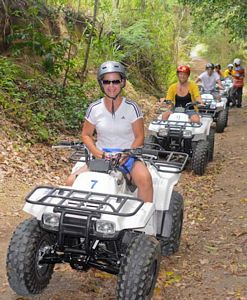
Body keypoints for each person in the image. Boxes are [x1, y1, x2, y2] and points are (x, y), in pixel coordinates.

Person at [66, 61, 153, 202]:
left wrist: (126, 154)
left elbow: (139, 137)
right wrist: (96, 153)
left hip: (127, 156)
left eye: (115, 81)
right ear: (101, 84)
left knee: (145, 180)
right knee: (71, 182)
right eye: (107, 82)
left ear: (122, 82)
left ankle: (144, 221)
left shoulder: (132, 108)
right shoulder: (94, 108)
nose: (111, 86)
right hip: (101, 156)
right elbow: (86, 134)